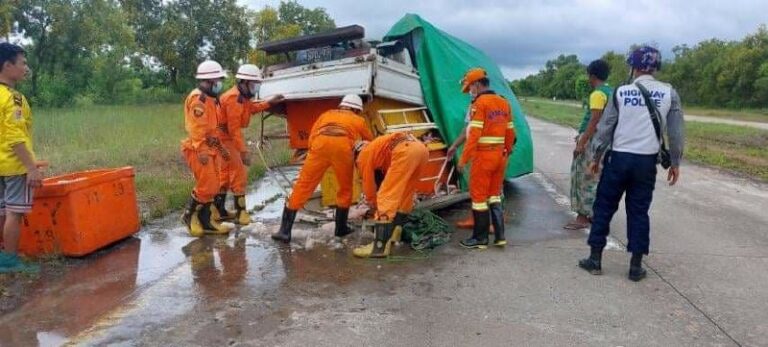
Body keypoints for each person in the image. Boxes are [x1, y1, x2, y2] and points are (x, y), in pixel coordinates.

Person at [579, 46, 684, 282]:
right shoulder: (669, 93)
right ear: (656, 67)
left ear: (633, 67)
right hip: (646, 163)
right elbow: (676, 133)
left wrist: (595, 157)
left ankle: (595, 259)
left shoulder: (621, 92)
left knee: (604, 207)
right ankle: (635, 267)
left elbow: (605, 129)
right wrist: (675, 162)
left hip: (618, 159)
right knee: (638, 212)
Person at [271, 94, 374, 243]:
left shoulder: (326, 114)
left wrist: (315, 151)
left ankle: (284, 231)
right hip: (342, 147)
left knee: (303, 186)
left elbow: (312, 137)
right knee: (345, 188)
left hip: (319, 146)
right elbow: (369, 141)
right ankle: (340, 228)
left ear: (342, 105)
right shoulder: (358, 120)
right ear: (356, 109)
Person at [216, 64, 284, 226]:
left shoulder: (242, 97)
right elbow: (234, 131)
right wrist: (243, 152)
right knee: (238, 174)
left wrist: (269, 103)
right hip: (225, 139)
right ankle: (241, 214)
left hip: (223, 139)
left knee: (224, 175)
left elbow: (251, 109)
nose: (256, 87)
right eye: (254, 84)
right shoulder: (233, 99)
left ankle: (218, 211)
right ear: (244, 82)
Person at [457, 68, 516, 249]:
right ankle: (500, 236)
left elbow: (474, 135)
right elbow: (510, 132)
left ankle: (480, 239)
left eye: (470, 88)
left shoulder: (479, 104)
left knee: (479, 198)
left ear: (477, 84)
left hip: (483, 157)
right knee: (494, 195)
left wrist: (463, 160)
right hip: (500, 156)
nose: (470, 92)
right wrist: (506, 150)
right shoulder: (504, 102)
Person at [351, 131, 429, 258]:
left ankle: (379, 247)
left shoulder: (363, 156)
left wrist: (374, 203)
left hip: (405, 151)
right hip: (421, 149)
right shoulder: (379, 148)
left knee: (385, 196)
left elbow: (368, 184)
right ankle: (394, 234)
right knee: (406, 193)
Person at [0, 42, 41, 273]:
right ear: (7, 66)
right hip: (14, 164)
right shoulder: (13, 98)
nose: (26, 68)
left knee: (1, 210)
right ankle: (10, 260)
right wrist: (31, 167)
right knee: (14, 212)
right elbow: (16, 137)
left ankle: (2, 255)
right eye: (22, 63)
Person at [180, 60, 233, 237]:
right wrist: (202, 150)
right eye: (218, 79)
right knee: (207, 186)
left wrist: (220, 149)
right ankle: (189, 216)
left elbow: (212, 128)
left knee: (214, 185)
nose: (220, 83)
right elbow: (197, 129)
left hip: (210, 147)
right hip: (198, 149)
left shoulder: (210, 98)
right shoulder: (199, 99)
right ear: (210, 80)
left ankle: (206, 221)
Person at [564, 60, 612, 230]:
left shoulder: (598, 94)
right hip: (606, 142)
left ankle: (582, 217)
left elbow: (594, 119)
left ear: (592, 76)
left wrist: (581, 143)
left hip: (592, 141)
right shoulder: (612, 92)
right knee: (598, 178)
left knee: (583, 178)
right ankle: (595, 214)